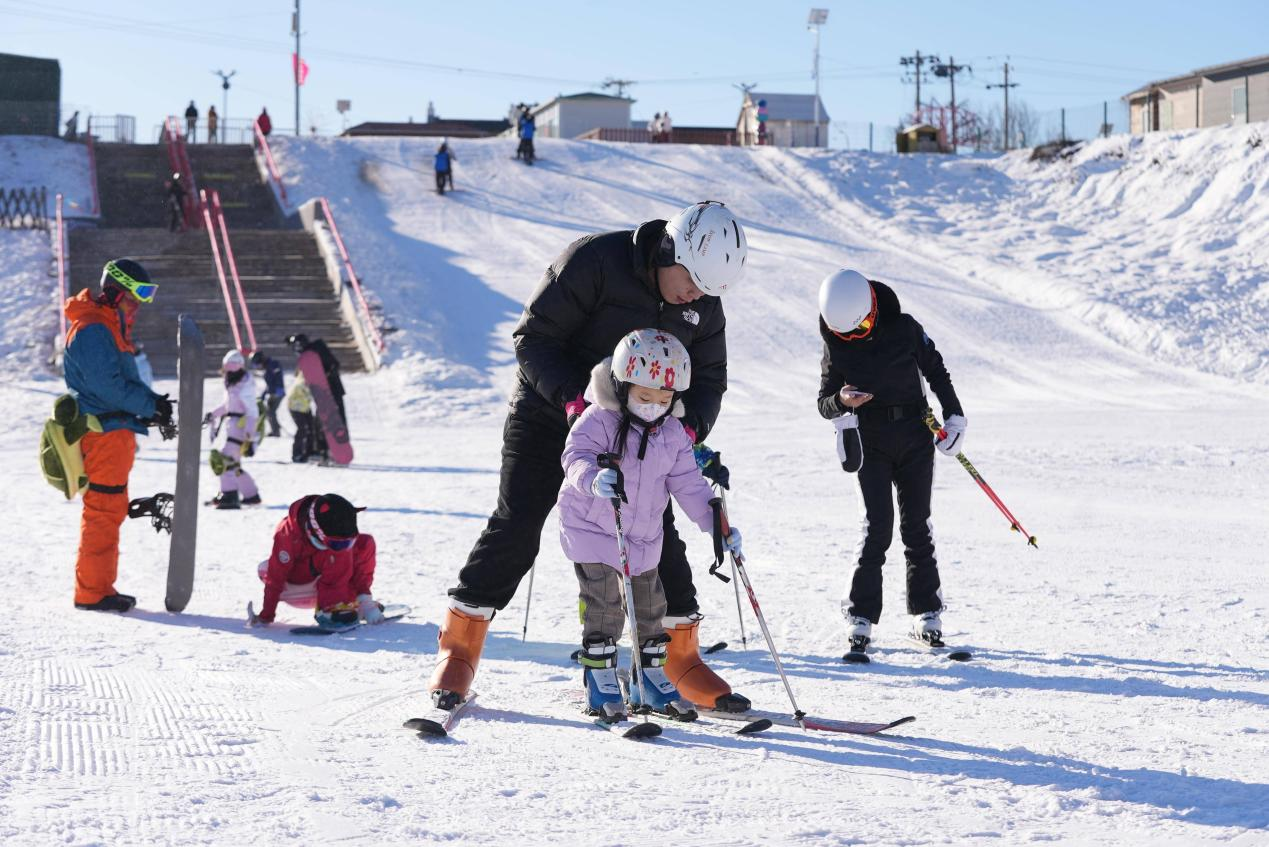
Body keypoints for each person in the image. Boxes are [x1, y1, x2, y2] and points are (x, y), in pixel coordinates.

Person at [428, 200, 750, 714]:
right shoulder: (596, 260)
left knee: (654, 531)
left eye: (708, 291)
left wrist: (684, 430)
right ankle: (459, 648)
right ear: (669, 250)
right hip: (551, 411)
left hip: (641, 428)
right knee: (519, 520)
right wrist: (573, 400)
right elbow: (533, 339)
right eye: (691, 281)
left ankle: (678, 658)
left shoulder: (703, 303)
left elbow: (710, 379)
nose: (697, 296)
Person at [564, 330, 742, 722]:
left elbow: (689, 484)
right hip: (595, 528)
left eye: (664, 401)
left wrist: (717, 525)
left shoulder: (672, 433)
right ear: (622, 384)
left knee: (651, 608)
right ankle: (600, 680)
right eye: (644, 398)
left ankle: (649, 677)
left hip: (643, 537)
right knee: (605, 607)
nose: (653, 408)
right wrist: (593, 477)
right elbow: (575, 455)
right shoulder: (600, 419)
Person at [816, 269, 966, 656]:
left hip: (916, 435)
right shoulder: (837, 342)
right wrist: (842, 401)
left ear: (873, 307)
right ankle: (861, 616)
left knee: (917, 525)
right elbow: (824, 401)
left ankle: (926, 612)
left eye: (863, 326)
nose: (858, 336)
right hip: (870, 441)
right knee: (877, 528)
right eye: (848, 333)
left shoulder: (905, 328)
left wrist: (954, 416)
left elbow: (936, 370)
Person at [62, 259, 174, 612]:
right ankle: (92, 592)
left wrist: (152, 406)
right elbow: (107, 388)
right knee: (103, 511)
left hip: (114, 432)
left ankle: (98, 587)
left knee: (109, 510)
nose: (138, 306)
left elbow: (118, 384)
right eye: (134, 297)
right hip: (104, 435)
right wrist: (148, 405)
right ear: (114, 291)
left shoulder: (107, 325)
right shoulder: (94, 328)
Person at [252, 493, 384, 629]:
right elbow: (276, 577)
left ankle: (350, 602)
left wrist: (364, 600)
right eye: (337, 544)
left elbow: (343, 570)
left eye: (347, 543)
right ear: (313, 531)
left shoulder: (336, 528)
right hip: (297, 589)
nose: (342, 548)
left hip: (330, 583)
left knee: (364, 543)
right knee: (331, 555)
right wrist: (266, 615)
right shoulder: (288, 535)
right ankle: (329, 609)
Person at [205, 350, 260, 510]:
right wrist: (213, 414)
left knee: (225, 460)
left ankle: (229, 495)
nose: (229, 372)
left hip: (241, 429)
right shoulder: (232, 384)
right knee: (233, 465)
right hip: (231, 426)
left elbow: (252, 411)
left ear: (239, 368)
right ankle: (251, 495)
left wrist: (250, 437)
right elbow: (228, 406)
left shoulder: (245, 385)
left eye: (232, 368)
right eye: (227, 368)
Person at [287, 333, 347, 431]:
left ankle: (337, 435)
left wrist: (326, 374)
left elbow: (334, 365)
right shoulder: (312, 351)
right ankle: (325, 437)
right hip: (324, 390)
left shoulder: (316, 350)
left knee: (334, 414)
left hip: (331, 388)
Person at [286, 372, 324, 463]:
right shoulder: (302, 383)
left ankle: (310, 451)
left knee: (311, 429)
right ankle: (296, 454)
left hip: (305, 408)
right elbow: (313, 394)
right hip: (295, 408)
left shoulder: (308, 380)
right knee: (302, 429)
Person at [251, 350, 286, 437]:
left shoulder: (273, 364)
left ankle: (276, 431)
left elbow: (278, 377)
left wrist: (278, 389)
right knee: (268, 411)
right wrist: (262, 396)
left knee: (270, 411)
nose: (258, 367)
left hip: (278, 393)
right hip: (272, 393)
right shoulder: (267, 368)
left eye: (258, 364)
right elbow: (269, 385)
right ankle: (275, 428)